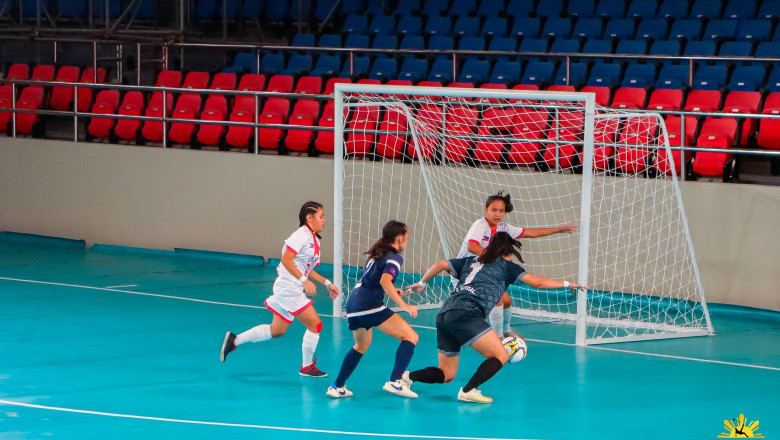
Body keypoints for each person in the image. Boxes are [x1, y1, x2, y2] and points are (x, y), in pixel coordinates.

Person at [405, 231, 585, 403]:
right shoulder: (507, 267)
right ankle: (468, 391)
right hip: (467, 314)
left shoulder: (471, 260)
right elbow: (537, 282)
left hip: (444, 314)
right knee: (501, 354)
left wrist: (422, 283)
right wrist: (568, 283)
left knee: (447, 373)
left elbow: (441, 264)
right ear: (507, 252)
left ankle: (406, 377)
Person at [220, 201, 340, 377]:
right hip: (288, 288)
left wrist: (327, 283)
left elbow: (306, 267)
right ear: (309, 217)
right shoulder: (301, 235)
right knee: (316, 324)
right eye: (321, 216)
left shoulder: (314, 239)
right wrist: (303, 280)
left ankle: (234, 340)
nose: (324, 220)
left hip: (290, 288)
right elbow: (286, 259)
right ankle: (306, 367)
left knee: (277, 330)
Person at [457, 190, 577, 338]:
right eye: (493, 210)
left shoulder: (504, 228)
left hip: (484, 273)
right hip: (465, 273)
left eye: (501, 211)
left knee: (507, 301)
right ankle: (499, 339)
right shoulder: (480, 225)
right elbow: (472, 247)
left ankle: (506, 332)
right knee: (497, 300)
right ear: (485, 210)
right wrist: (496, 259)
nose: (497, 214)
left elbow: (532, 233)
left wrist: (560, 229)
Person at [326, 221, 420, 399]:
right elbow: (384, 281)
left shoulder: (377, 253)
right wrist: (404, 305)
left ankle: (337, 386)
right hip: (369, 305)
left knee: (361, 345)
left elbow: (375, 280)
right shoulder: (395, 257)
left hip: (354, 304)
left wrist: (394, 289)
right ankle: (395, 381)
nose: (407, 241)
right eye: (407, 238)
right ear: (400, 238)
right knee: (411, 336)